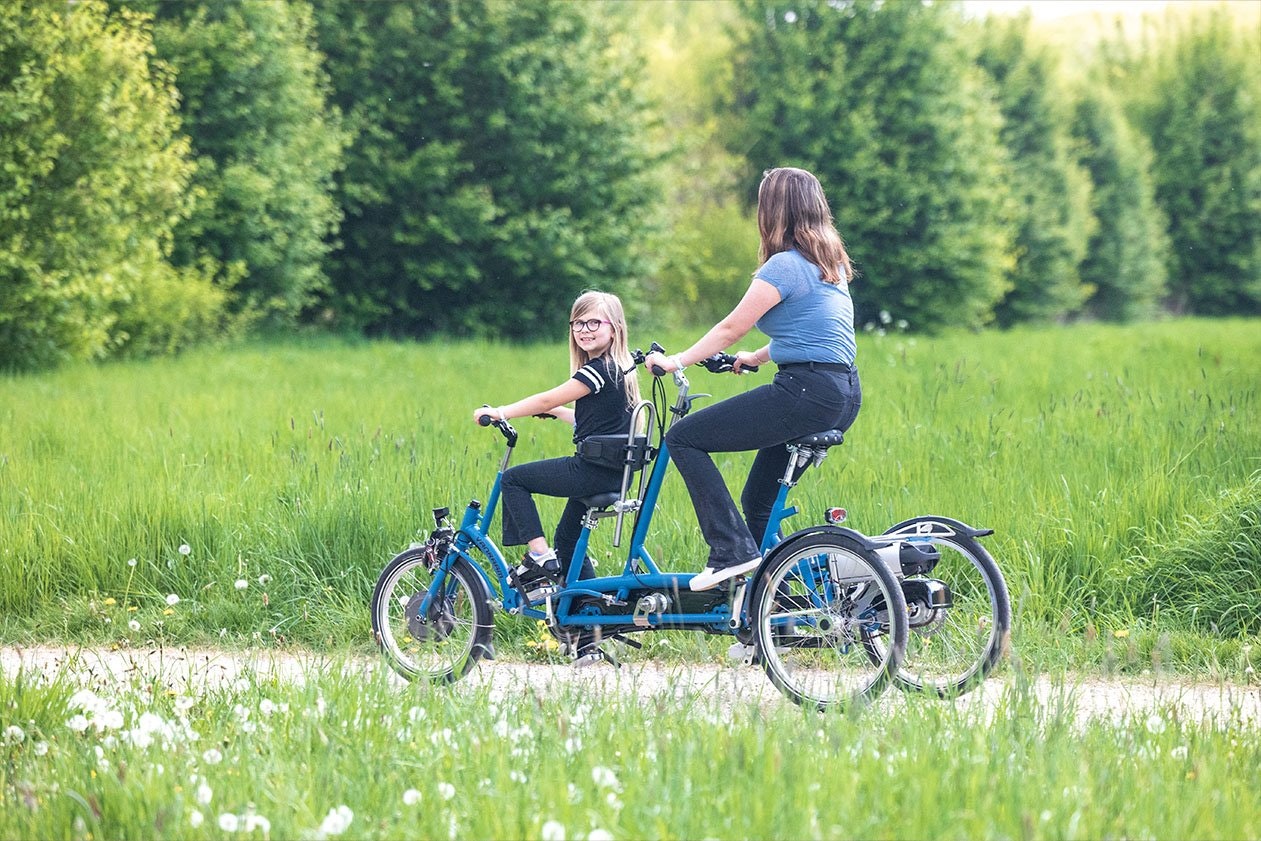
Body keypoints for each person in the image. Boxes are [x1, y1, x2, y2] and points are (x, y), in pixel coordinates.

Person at [645, 166, 861, 591]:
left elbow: (731, 328)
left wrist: (677, 361)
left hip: (805, 393)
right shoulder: (829, 263)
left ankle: (730, 551)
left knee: (683, 438)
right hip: (843, 392)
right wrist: (760, 358)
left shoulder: (783, 266)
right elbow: (820, 333)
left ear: (774, 211)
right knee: (758, 504)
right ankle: (775, 614)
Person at [473, 290, 641, 597]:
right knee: (567, 541)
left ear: (614, 328)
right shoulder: (621, 368)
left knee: (513, 480)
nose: (583, 331)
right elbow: (599, 422)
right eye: (577, 323)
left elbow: (548, 396)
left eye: (593, 323)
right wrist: (557, 413)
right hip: (612, 471)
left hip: (592, 470)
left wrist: (500, 412)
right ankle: (590, 626)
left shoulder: (599, 369)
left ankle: (539, 557)